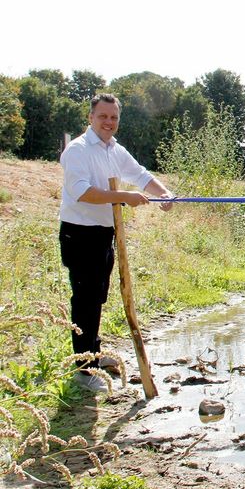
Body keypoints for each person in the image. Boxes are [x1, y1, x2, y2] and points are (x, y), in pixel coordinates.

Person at [59, 93, 174, 392]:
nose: (109, 122)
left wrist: (164, 194)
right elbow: (82, 192)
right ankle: (84, 371)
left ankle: (93, 353)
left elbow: (139, 174)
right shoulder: (77, 151)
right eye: (103, 116)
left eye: (114, 117)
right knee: (84, 299)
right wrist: (125, 197)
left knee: (97, 296)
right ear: (90, 117)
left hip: (103, 233)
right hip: (79, 232)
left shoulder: (114, 150)